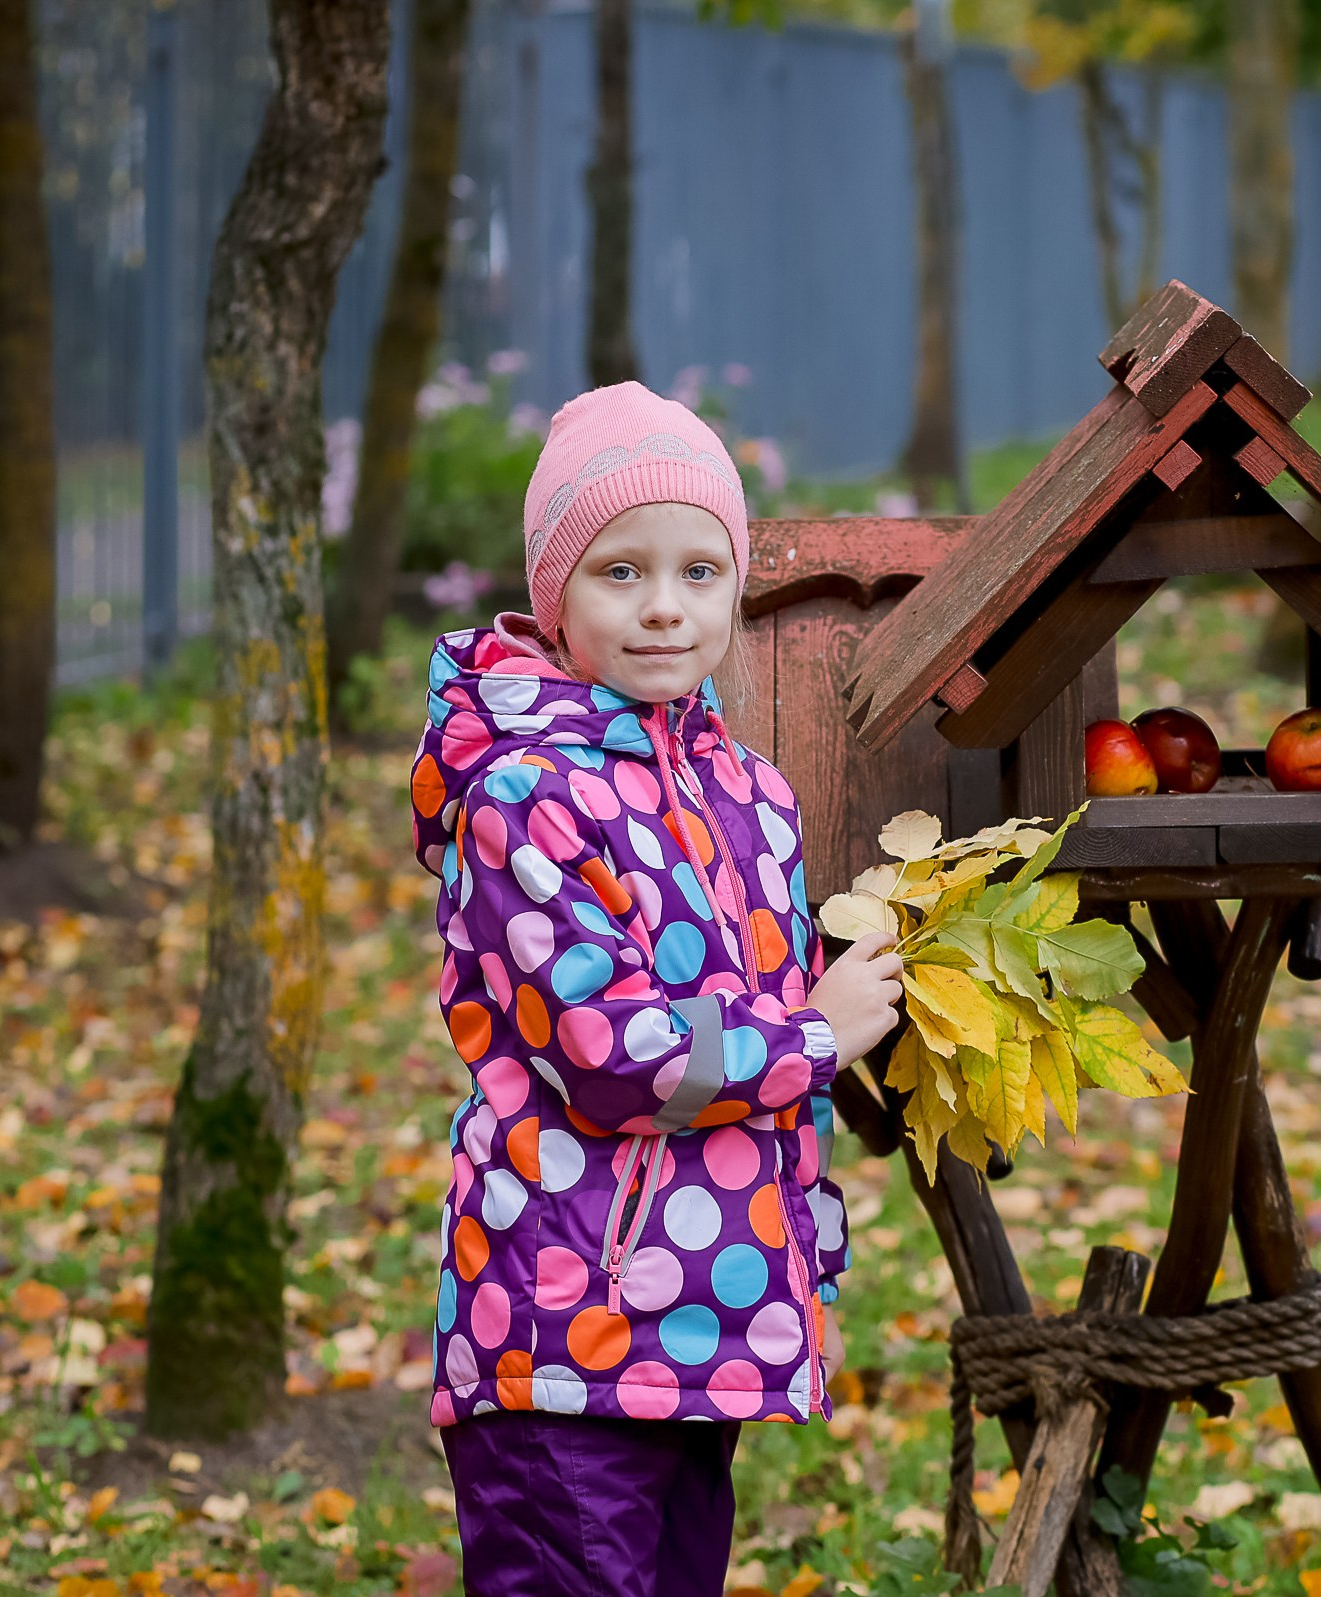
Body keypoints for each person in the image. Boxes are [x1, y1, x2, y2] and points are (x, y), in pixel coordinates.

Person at [408, 382, 905, 1597]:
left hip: (702, 1324)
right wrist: (814, 1033)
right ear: (553, 595)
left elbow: (772, 1084)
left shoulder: (754, 794)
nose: (665, 608)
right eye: (620, 572)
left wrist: (804, 1243)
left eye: (699, 570)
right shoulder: (525, 798)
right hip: (562, 1329)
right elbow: (620, 1054)